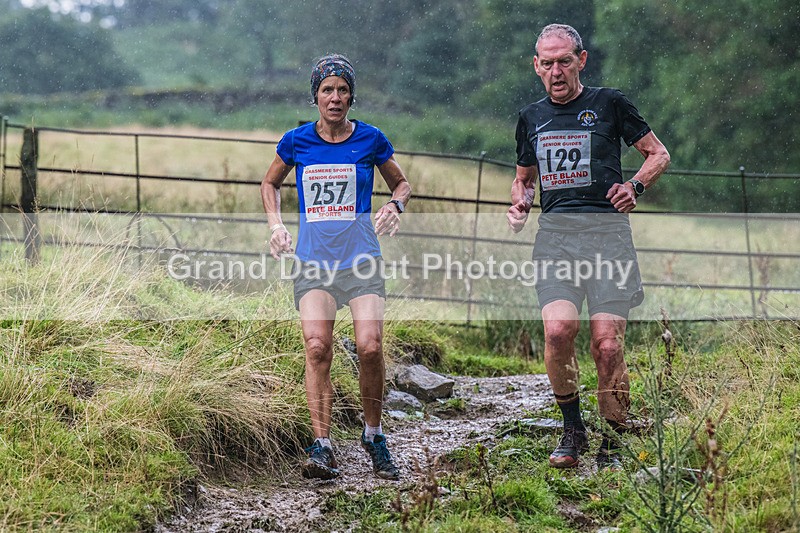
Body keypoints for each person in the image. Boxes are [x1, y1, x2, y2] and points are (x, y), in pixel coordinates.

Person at [507, 24, 670, 470]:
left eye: (564, 61)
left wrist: (634, 186)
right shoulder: (530, 117)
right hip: (556, 240)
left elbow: (658, 154)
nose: (556, 71)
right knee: (558, 331)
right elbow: (524, 179)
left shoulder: (609, 103)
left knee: (608, 345)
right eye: (547, 63)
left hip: (608, 239)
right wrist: (520, 203)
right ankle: (572, 429)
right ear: (535, 66)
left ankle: (614, 441)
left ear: (581, 60)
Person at [261, 54, 411, 481]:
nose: (335, 97)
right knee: (316, 347)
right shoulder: (296, 141)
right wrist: (276, 225)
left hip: (361, 260)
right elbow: (269, 183)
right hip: (314, 262)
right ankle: (322, 445)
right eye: (327, 90)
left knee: (370, 347)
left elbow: (401, 183)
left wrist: (395, 205)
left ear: (351, 97)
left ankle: (374, 435)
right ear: (316, 96)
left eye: (343, 90)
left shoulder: (370, 139)